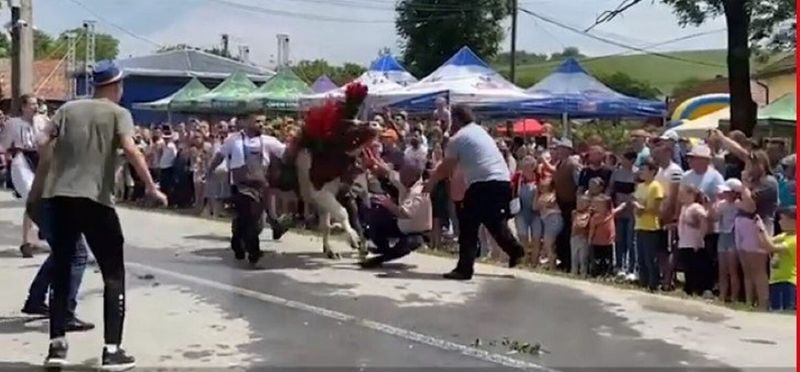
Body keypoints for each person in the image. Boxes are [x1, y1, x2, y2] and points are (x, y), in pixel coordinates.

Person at [30, 60, 167, 369]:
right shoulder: (119, 114)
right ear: (116, 86)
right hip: (95, 200)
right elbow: (131, 149)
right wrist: (150, 186)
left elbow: (42, 142)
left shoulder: (68, 109)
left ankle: (56, 347)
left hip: (59, 198)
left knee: (62, 271)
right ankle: (112, 350)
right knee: (113, 275)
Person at [424, 105, 524, 280]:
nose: (443, 124)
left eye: (445, 120)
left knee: (468, 225)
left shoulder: (458, 139)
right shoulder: (480, 131)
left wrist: (430, 183)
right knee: (493, 221)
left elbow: (446, 168)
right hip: (502, 182)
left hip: (483, 184)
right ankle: (515, 249)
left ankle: (464, 269)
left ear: (455, 119)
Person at [207, 113, 286, 264]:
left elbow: (285, 153)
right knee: (250, 218)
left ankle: (237, 243)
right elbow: (220, 155)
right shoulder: (234, 140)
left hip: (260, 186)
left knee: (247, 220)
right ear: (245, 122)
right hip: (240, 186)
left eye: (263, 121)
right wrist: (210, 171)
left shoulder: (268, 141)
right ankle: (254, 252)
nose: (261, 124)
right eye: (257, 121)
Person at [360, 160, 432, 268]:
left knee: (406, 246)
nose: (401, 177)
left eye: (405, 175)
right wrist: (372, 160)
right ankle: (383, 248)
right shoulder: (405, 182)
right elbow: (389, 173)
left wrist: (389, 204)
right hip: (402, 227)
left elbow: (404, 214)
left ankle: (381, 258)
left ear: (415, 177)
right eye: (402, 173)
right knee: (375, 218)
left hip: (417, 232)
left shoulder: (418, 192)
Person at [0, 94, 46, 257]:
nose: (35, 107)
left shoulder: (42, 121)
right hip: (21, 159)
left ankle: (27, 241)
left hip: (39, 160)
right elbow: (3, 144)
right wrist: (4, 158)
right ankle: (39, 231)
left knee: (40, 199)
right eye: (32, 104)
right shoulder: (13, 123)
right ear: (24, 107)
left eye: (37, 104)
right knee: (30, 195)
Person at [633, 159, 664, 291]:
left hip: (651, 226)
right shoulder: (640, 186)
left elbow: (656, 209)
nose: (641, 172)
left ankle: (654, 283)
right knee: (640, 257)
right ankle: (643, 281)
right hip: (639, 225)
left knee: (650, 257)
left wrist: (643, 209)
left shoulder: (656, 186)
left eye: (644, 169)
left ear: (652, 171)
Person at [756, 208, 796, 311]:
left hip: (788, 282)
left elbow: (771, 247)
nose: (780, 222)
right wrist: (759, 228)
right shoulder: (783, 235)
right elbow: (764, 244)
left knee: (786, 311)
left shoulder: (794, 239)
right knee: (775, 310)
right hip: (775, 280)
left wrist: (763, 230)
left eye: (783, 219)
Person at [676, 184, 711, 297]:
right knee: (687, 266)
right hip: (685, 241)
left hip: (693, 242)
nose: (681, 196)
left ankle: (698, 289)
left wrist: (701, 237)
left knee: (694, 267)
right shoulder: (684, 207)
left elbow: (703, 219)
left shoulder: (696, 207)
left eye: (683, 194)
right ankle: (688, 288)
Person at [711, 179, 742, 303]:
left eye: (727, 192)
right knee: (722, 269)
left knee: (732, 269)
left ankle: (734, 297)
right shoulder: (722, 204)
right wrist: (714, 204)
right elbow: (715, 217)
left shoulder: (739, 205)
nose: (724, 194)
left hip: (734, 234)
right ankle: (722, 296)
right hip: (723, 234)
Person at [609, 151, 638, 280]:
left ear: (632, 160)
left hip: (631, 210)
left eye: (625, 158)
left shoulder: (636, 173)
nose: (622, 160)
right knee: (619, 239)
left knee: (630, 240)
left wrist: (626, 204)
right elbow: (611, 188)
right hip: (617, 209)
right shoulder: (617, 172)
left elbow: (636, 193)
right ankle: (619, 265)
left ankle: (631, 268)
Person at [512, 156, 541, 267]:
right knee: (523, 237)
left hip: (536, 212)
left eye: (528, 166)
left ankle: (534, 264)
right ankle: (524, 262)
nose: (525, 168)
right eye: (524, 165)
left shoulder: (538, 177)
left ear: (533, 167)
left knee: (536, 238)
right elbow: (510, 188)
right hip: (521, 211)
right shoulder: (518, 177)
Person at [588, 195, 626, 277]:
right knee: (597, 259)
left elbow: (618, 209)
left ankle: (607, 273)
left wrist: (623, 205)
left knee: (608, 259)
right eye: (595, 205)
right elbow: (592, 230)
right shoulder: (594, 218)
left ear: (606, 207)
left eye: (599, 205)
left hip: (608, 242)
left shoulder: (610, 213)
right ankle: (597, 273)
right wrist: (590, 239)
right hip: (597, 242)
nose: (596, 207)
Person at [536, 178, 562, 270]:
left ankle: (552, 266)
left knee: (548, 243)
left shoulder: (552, 195)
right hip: (546, 221)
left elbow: (549, 204)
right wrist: (536, 193)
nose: (541, 187)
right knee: (548, 244)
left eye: (544, 185)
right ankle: (551, 264)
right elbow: (534, 207)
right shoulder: (541, 196)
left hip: (553, 219)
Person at [570, 195, 592, 277]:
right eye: (578, 202)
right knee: (574, 256)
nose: (580, 204)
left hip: (583, 237)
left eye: (583, 203)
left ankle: (583, 273)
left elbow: (584, 224)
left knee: (583, 257)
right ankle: (574, 272)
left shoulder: (589, 214)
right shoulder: (574, 213)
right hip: (574, 236)